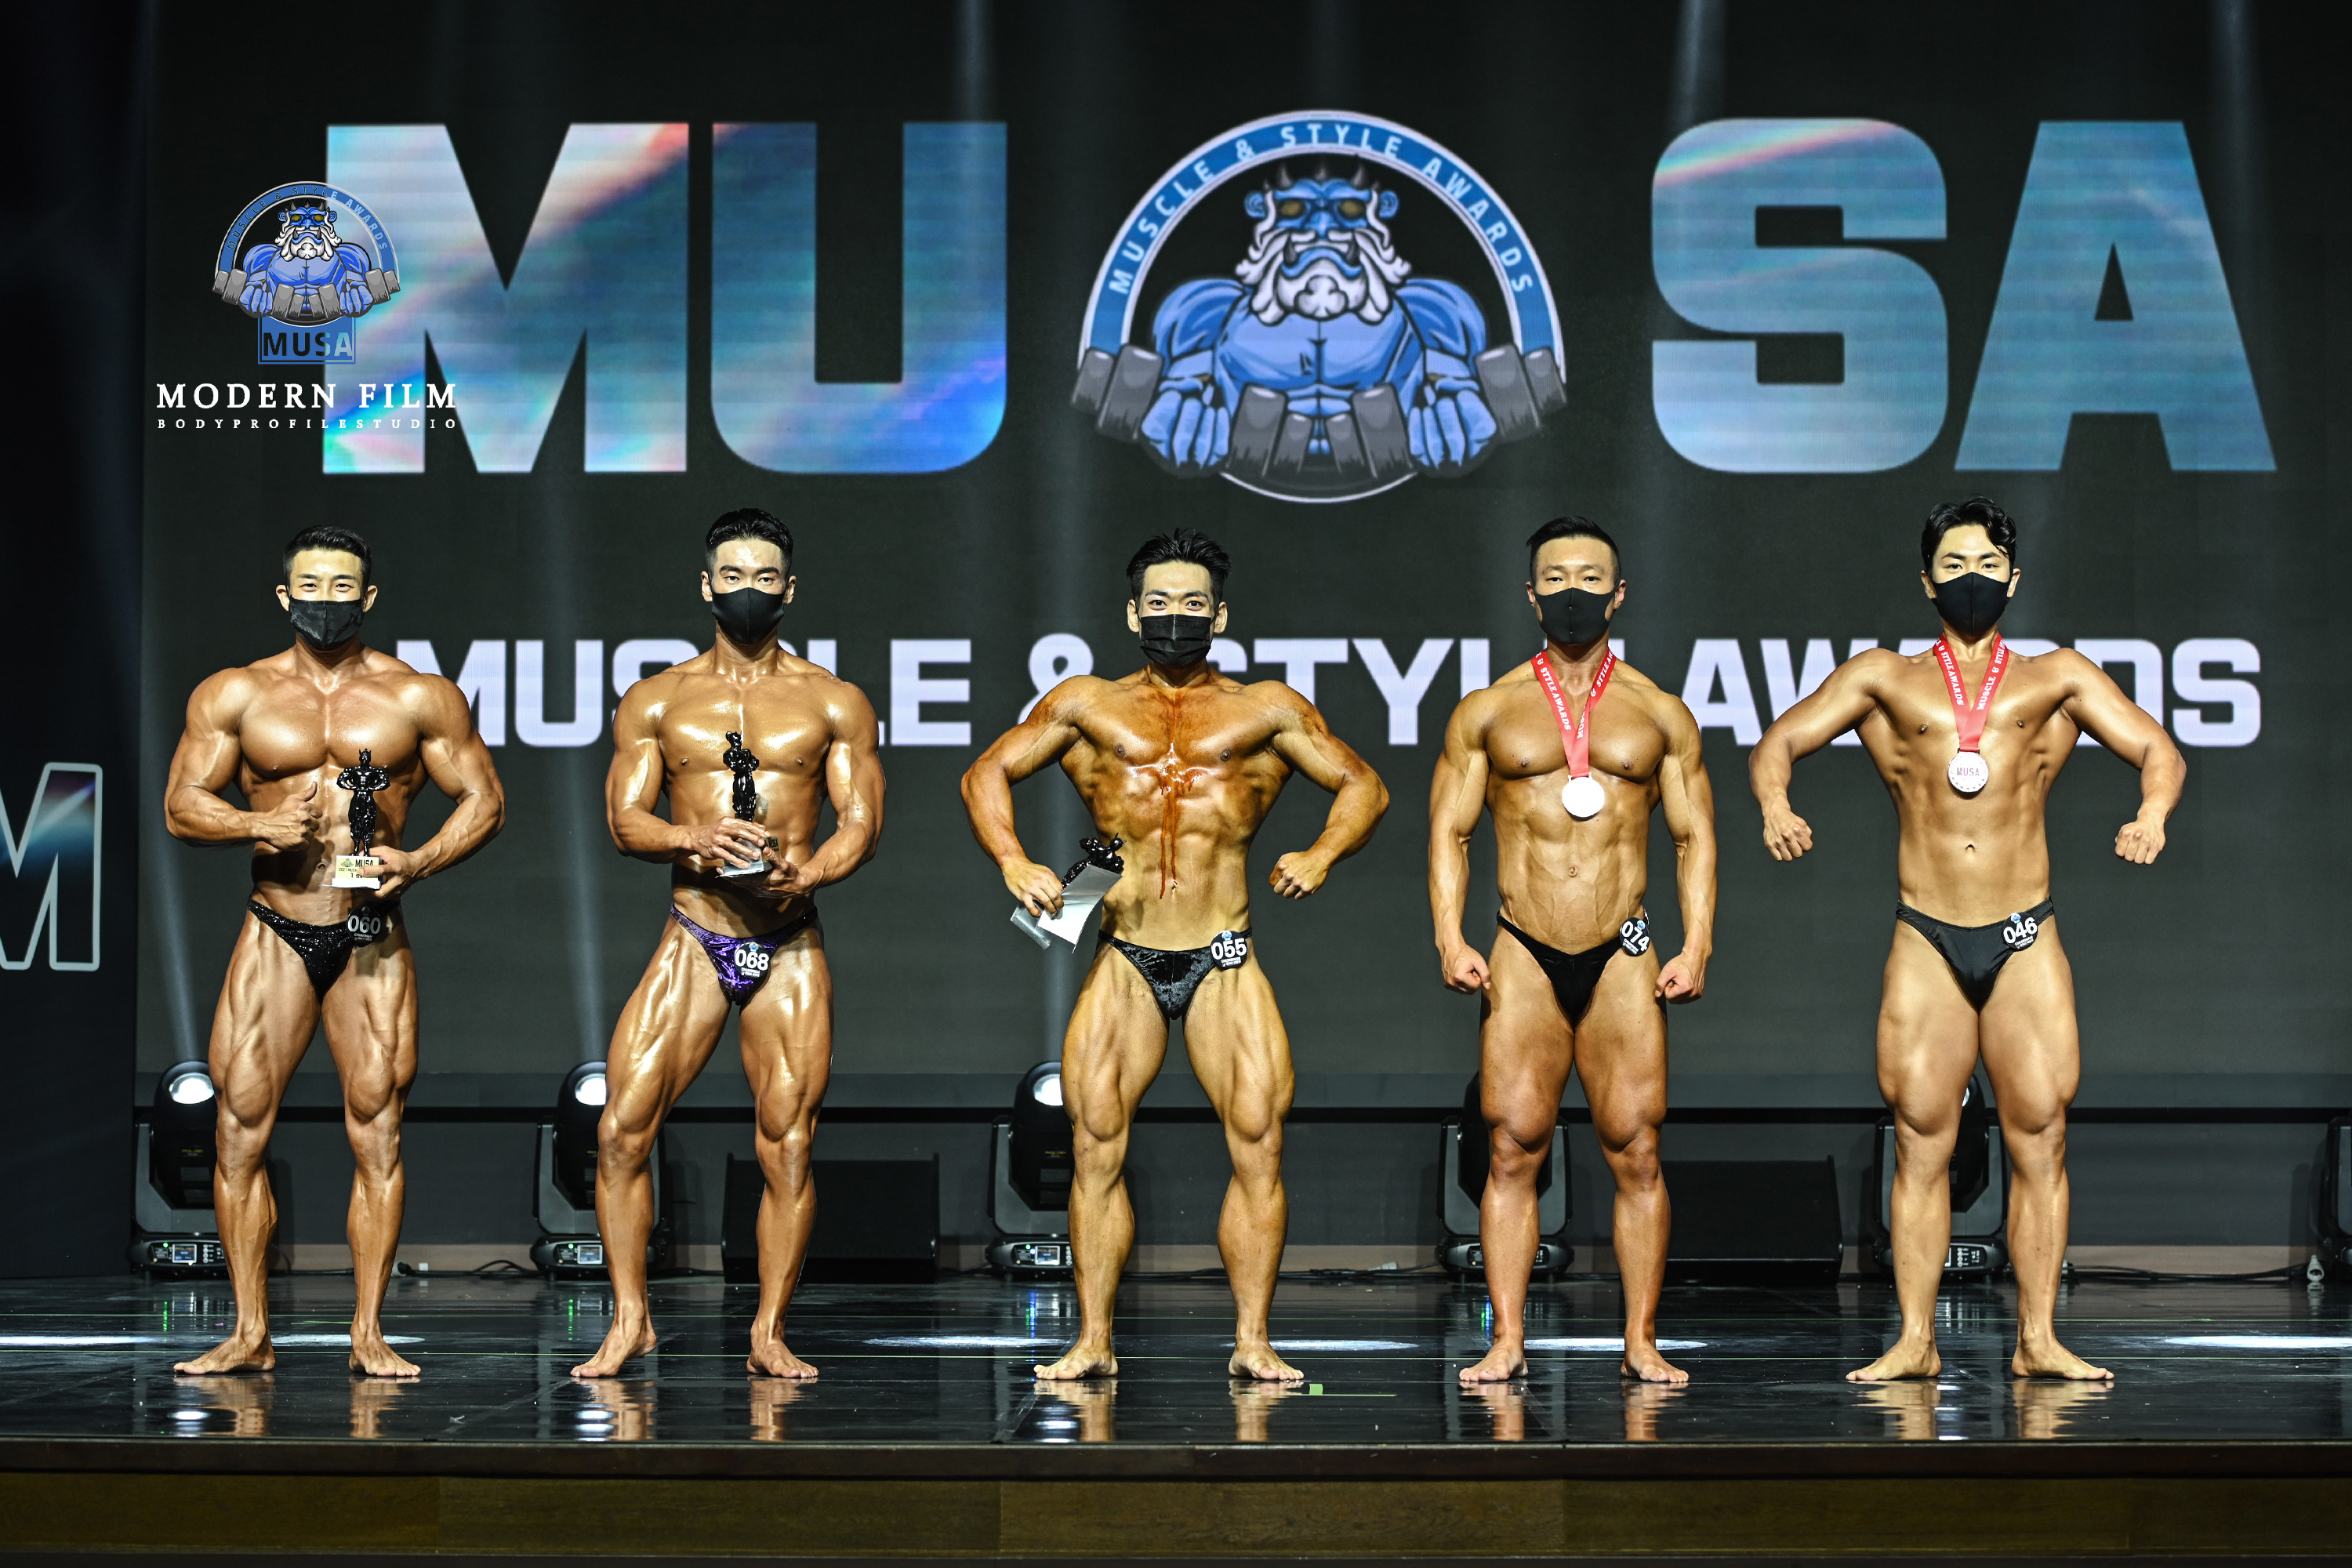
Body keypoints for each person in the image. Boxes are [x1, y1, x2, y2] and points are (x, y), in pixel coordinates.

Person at [1749, 496, 2184, 1382]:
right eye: (1953, 565)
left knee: (2042, 1136)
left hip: (2025, 933)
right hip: (1927, 934)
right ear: (1926, 581)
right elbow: (1778, 741)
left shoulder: (2058, 677)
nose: (1970, 578)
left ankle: (2039, 1339)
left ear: (2014, 578)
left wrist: (2153, 813)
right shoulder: (1883, 677)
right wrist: (1775, 804)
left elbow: (2159, 750)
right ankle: (1915, 1340)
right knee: (1920, 1137)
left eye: (1987, 564)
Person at [961, 530, 1388, 1381]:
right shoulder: (1086, 704)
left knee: (1258, 1142)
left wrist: (1321, 854)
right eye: (1159, 601)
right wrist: (1013, 859)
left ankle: (1253, 1341)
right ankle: (1092, 1340)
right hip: (1125, 950)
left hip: (1224, 953)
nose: (1175, 616)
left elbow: (1364, 785)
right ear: (1133, 613)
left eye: (1194, 603)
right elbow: (985, 774)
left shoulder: (1265, 709)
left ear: (1219, 615)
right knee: (1095, 1145)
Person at [164, 526, 505, 1377]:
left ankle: (369, 1331)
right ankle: (248, 1331)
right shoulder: (236, 693)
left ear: (368, 597)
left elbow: (485, 801)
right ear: (285, 596)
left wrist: (418, 859)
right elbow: (182, 803)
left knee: (378, 1130)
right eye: (311, 585)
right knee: (238, 1129)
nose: (327, 600)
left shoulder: (418, 696)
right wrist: (256, 823)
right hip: (275, 925)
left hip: (369, 931)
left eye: (343, 586)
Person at [572, 508, 883, 1381]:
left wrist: (809, 874)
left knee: (788, 1143)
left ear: (790, 589)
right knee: (620, 1131)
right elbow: (625, 820)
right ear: (707, 585)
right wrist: (693, 839)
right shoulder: (658, 699)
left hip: (787, 941)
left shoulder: (834, 701)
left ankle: (769, 1329)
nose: (750, 590)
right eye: (735, 576)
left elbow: (862, 821)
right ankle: (631, 1320)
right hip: (696, 931)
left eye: (766, 577)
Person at [1428, 517, 1716, 1387]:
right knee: (1513, 1147)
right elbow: (1449, 831)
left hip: (1624, 948)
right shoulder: (1488, 710)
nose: (1573, 592)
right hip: (1523, 947)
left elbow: (1694, 836)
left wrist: (1698, 943)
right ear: (1531, 595)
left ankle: (1641, 1341)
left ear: (1618, 594)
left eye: (1590, 578)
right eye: (1555, 578)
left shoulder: (1660, 713)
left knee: (1637, 1149)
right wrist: (1450, 934)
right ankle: (1507, 1339)